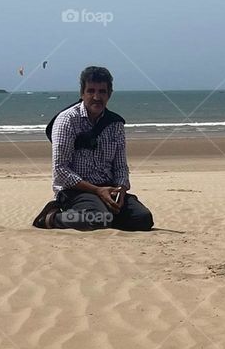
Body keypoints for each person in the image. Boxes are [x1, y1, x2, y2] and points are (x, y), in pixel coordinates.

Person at [33, 66, 153, 231]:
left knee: (143, 219)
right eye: (91, 91)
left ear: (109, 94)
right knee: (98, 219)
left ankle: (104, 217)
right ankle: (52, 217)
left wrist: (121, 191)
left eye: (102, 92)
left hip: (109, 190)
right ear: (82, 93)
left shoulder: (115, 124)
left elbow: (121, 167)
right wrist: (97, 190)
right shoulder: (67, 120)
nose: (96, 97)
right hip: (75, 191)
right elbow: (60, 170)